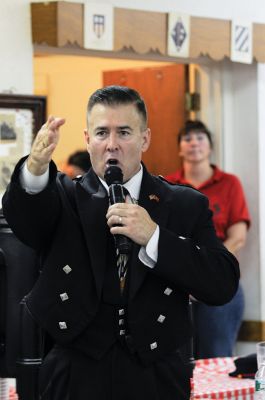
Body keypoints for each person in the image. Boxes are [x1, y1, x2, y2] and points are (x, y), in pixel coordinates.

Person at [2, 86, 240, 400]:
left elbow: (222, 283)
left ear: (145, 139)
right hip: (74, 374)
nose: (112, 145)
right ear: (88, 140)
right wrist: (33, 169)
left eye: (124, 132)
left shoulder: (185, 204)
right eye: (101, 133)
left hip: (157, 374)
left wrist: (154, 237)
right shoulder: (62, 197)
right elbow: (26, 223)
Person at [165, 119, 250, 359]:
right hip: (178, 287)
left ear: (210, 147)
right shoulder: (168, 186)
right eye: (187, 139)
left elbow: (238, 237)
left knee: (217, 358)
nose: (194, 144)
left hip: (219, 281)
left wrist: (206, 272)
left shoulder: (229, 183)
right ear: (180, 148)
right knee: (179, 360)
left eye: (200, 138)